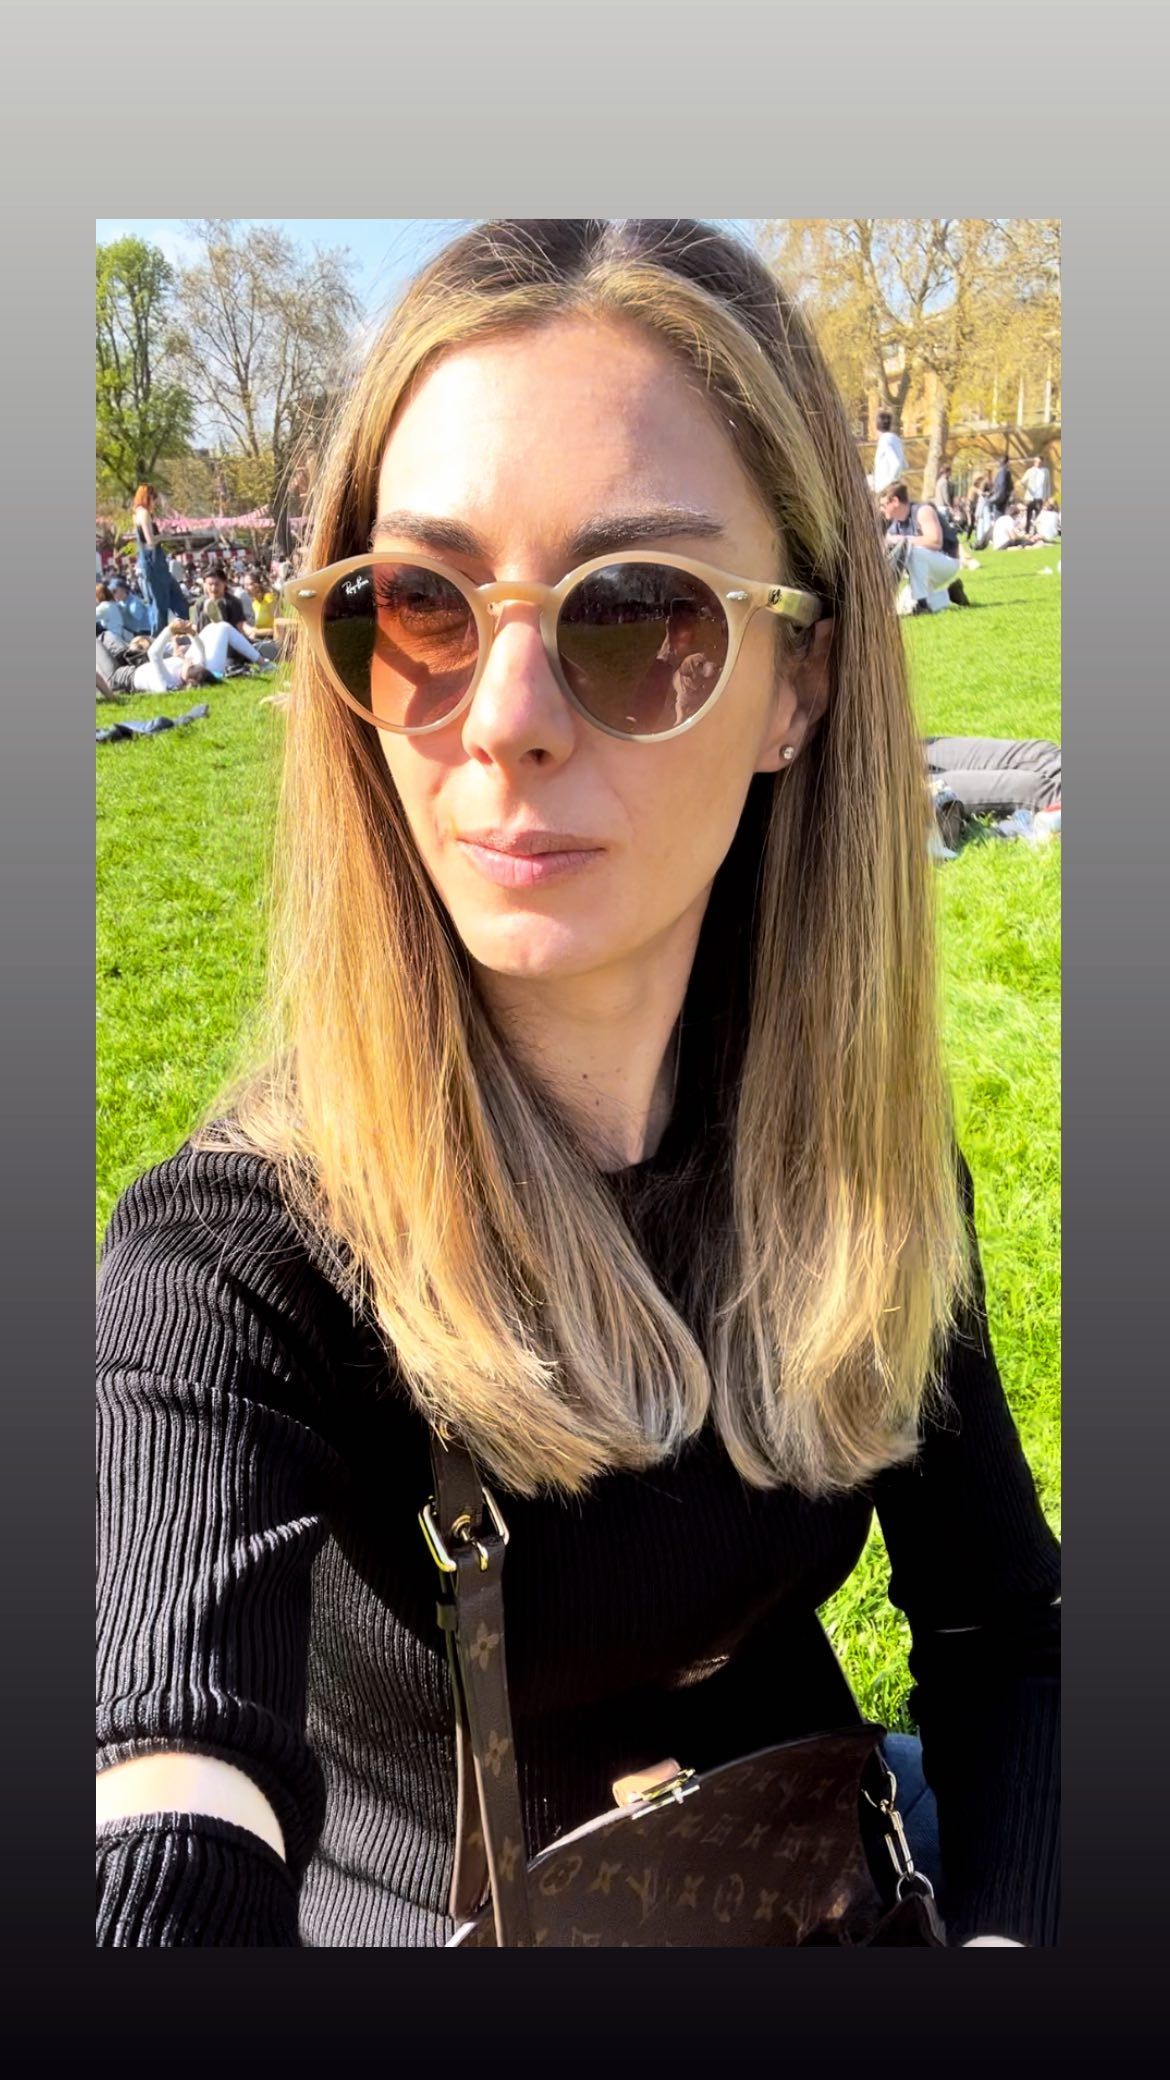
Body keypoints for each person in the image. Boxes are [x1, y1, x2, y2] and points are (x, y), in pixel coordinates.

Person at [96, 218, 1058, 1951]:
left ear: (800, 682)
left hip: (826, 1870)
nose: (506, 716)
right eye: (421, 606)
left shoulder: (863, 1167)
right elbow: (158, 1797)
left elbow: (1009, 1639)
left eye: (635, 613)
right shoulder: (235, 1259)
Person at [878, 482, 970, 612]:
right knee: (903, 607)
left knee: (914, 551)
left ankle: (921, 603)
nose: (881, 509)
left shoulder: (923, 511)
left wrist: (904, 540)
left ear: (895, 501)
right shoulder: (895, 524)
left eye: (883, 505)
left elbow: (935, 542)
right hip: (923, 567)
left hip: (947, 561)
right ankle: (950, 594)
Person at [132, 484, 190, 637]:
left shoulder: (137, 514)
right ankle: (158, 638)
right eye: (154, 498)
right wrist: (165, 535)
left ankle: (183, 629)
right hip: (154, 563)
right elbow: (150, 541)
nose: (155, 502)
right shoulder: (144, 513)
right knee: (160, 605)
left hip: (155, 564)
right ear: (148, 497)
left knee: (175, 597)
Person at [96, 623, 213, 696]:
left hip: (121, 678)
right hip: (133, 661)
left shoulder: (169, 683)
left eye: (191, 665)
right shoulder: (197, 672)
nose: (191, 662)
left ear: (188, 677)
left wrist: (170, 630)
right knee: (107, 635)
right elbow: (201, 649)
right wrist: (191, 633)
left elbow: (154, 654)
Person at [872, 410, 906, 495]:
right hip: (894, 484)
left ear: (876, 427)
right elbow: (904, 464)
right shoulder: (896, 440)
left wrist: (889, 484)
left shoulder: (884, 441)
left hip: (886, 489)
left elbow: (897, 464)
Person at [1020, 456, 1052, 533]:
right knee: (1028, 516)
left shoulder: (1046, 471)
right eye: (1036, 462)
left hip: (1040, 497)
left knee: (1038, 516)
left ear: (1042, 462)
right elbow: (1022, 481)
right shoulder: (1030, 471)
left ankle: (1036, 532)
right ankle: (1027, 531)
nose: (1037, 463)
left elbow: (1048, 484)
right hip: (1030, 497)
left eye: (1039, 462)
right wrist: (1027, 488)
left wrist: (1047, 497)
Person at [989, 452, 1014, 517]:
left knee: (999, 514)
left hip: (1001, 496)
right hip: (1003, 496)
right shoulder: (1005, 471)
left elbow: (1001, 483)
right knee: (1000, 513)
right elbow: (1006, 485)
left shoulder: (1002, 471)